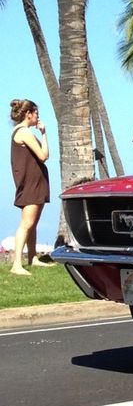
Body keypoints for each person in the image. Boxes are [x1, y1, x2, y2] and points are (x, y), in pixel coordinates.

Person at [10, 98, 49, 275]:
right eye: (36, 114)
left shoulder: (24, 132)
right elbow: (43, 155)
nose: (37, 118)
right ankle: (16, 264)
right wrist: (44, 133)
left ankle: (32, 257)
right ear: (28, 114)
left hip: (36, 182)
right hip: (30, 183)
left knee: (33, 223)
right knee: (26, 223)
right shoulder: (24, 132)